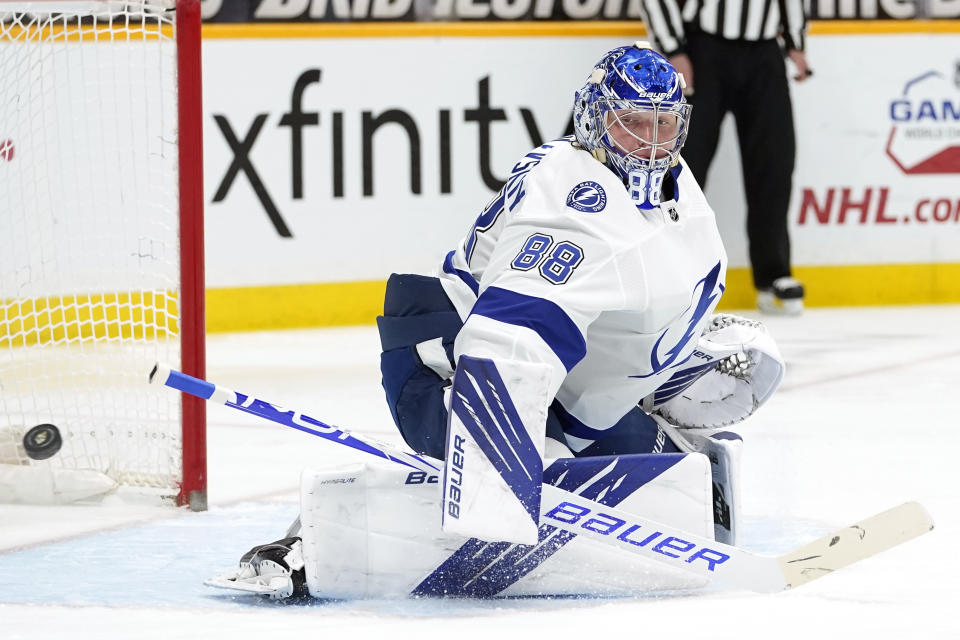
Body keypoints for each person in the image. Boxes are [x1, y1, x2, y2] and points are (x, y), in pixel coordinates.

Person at [211, 43, 785, 600]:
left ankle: (610, 446)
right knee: (537, 480)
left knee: (697, 413)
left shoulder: (664, 184)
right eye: (632, 123)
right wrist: (503, 486)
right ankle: (305, 541)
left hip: (562, 380)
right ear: (593, 120)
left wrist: (658, 368)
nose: (651, 143)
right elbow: (509, 347)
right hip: (449, 363)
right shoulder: (576, 204)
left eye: (664, 124)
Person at [637, 0, 811, 314]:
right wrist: (674, 48)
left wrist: (795, 42)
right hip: (703, 48)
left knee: (774, 161)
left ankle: (773, 274)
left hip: (765, 51)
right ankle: (669, 271)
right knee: (683, 162)